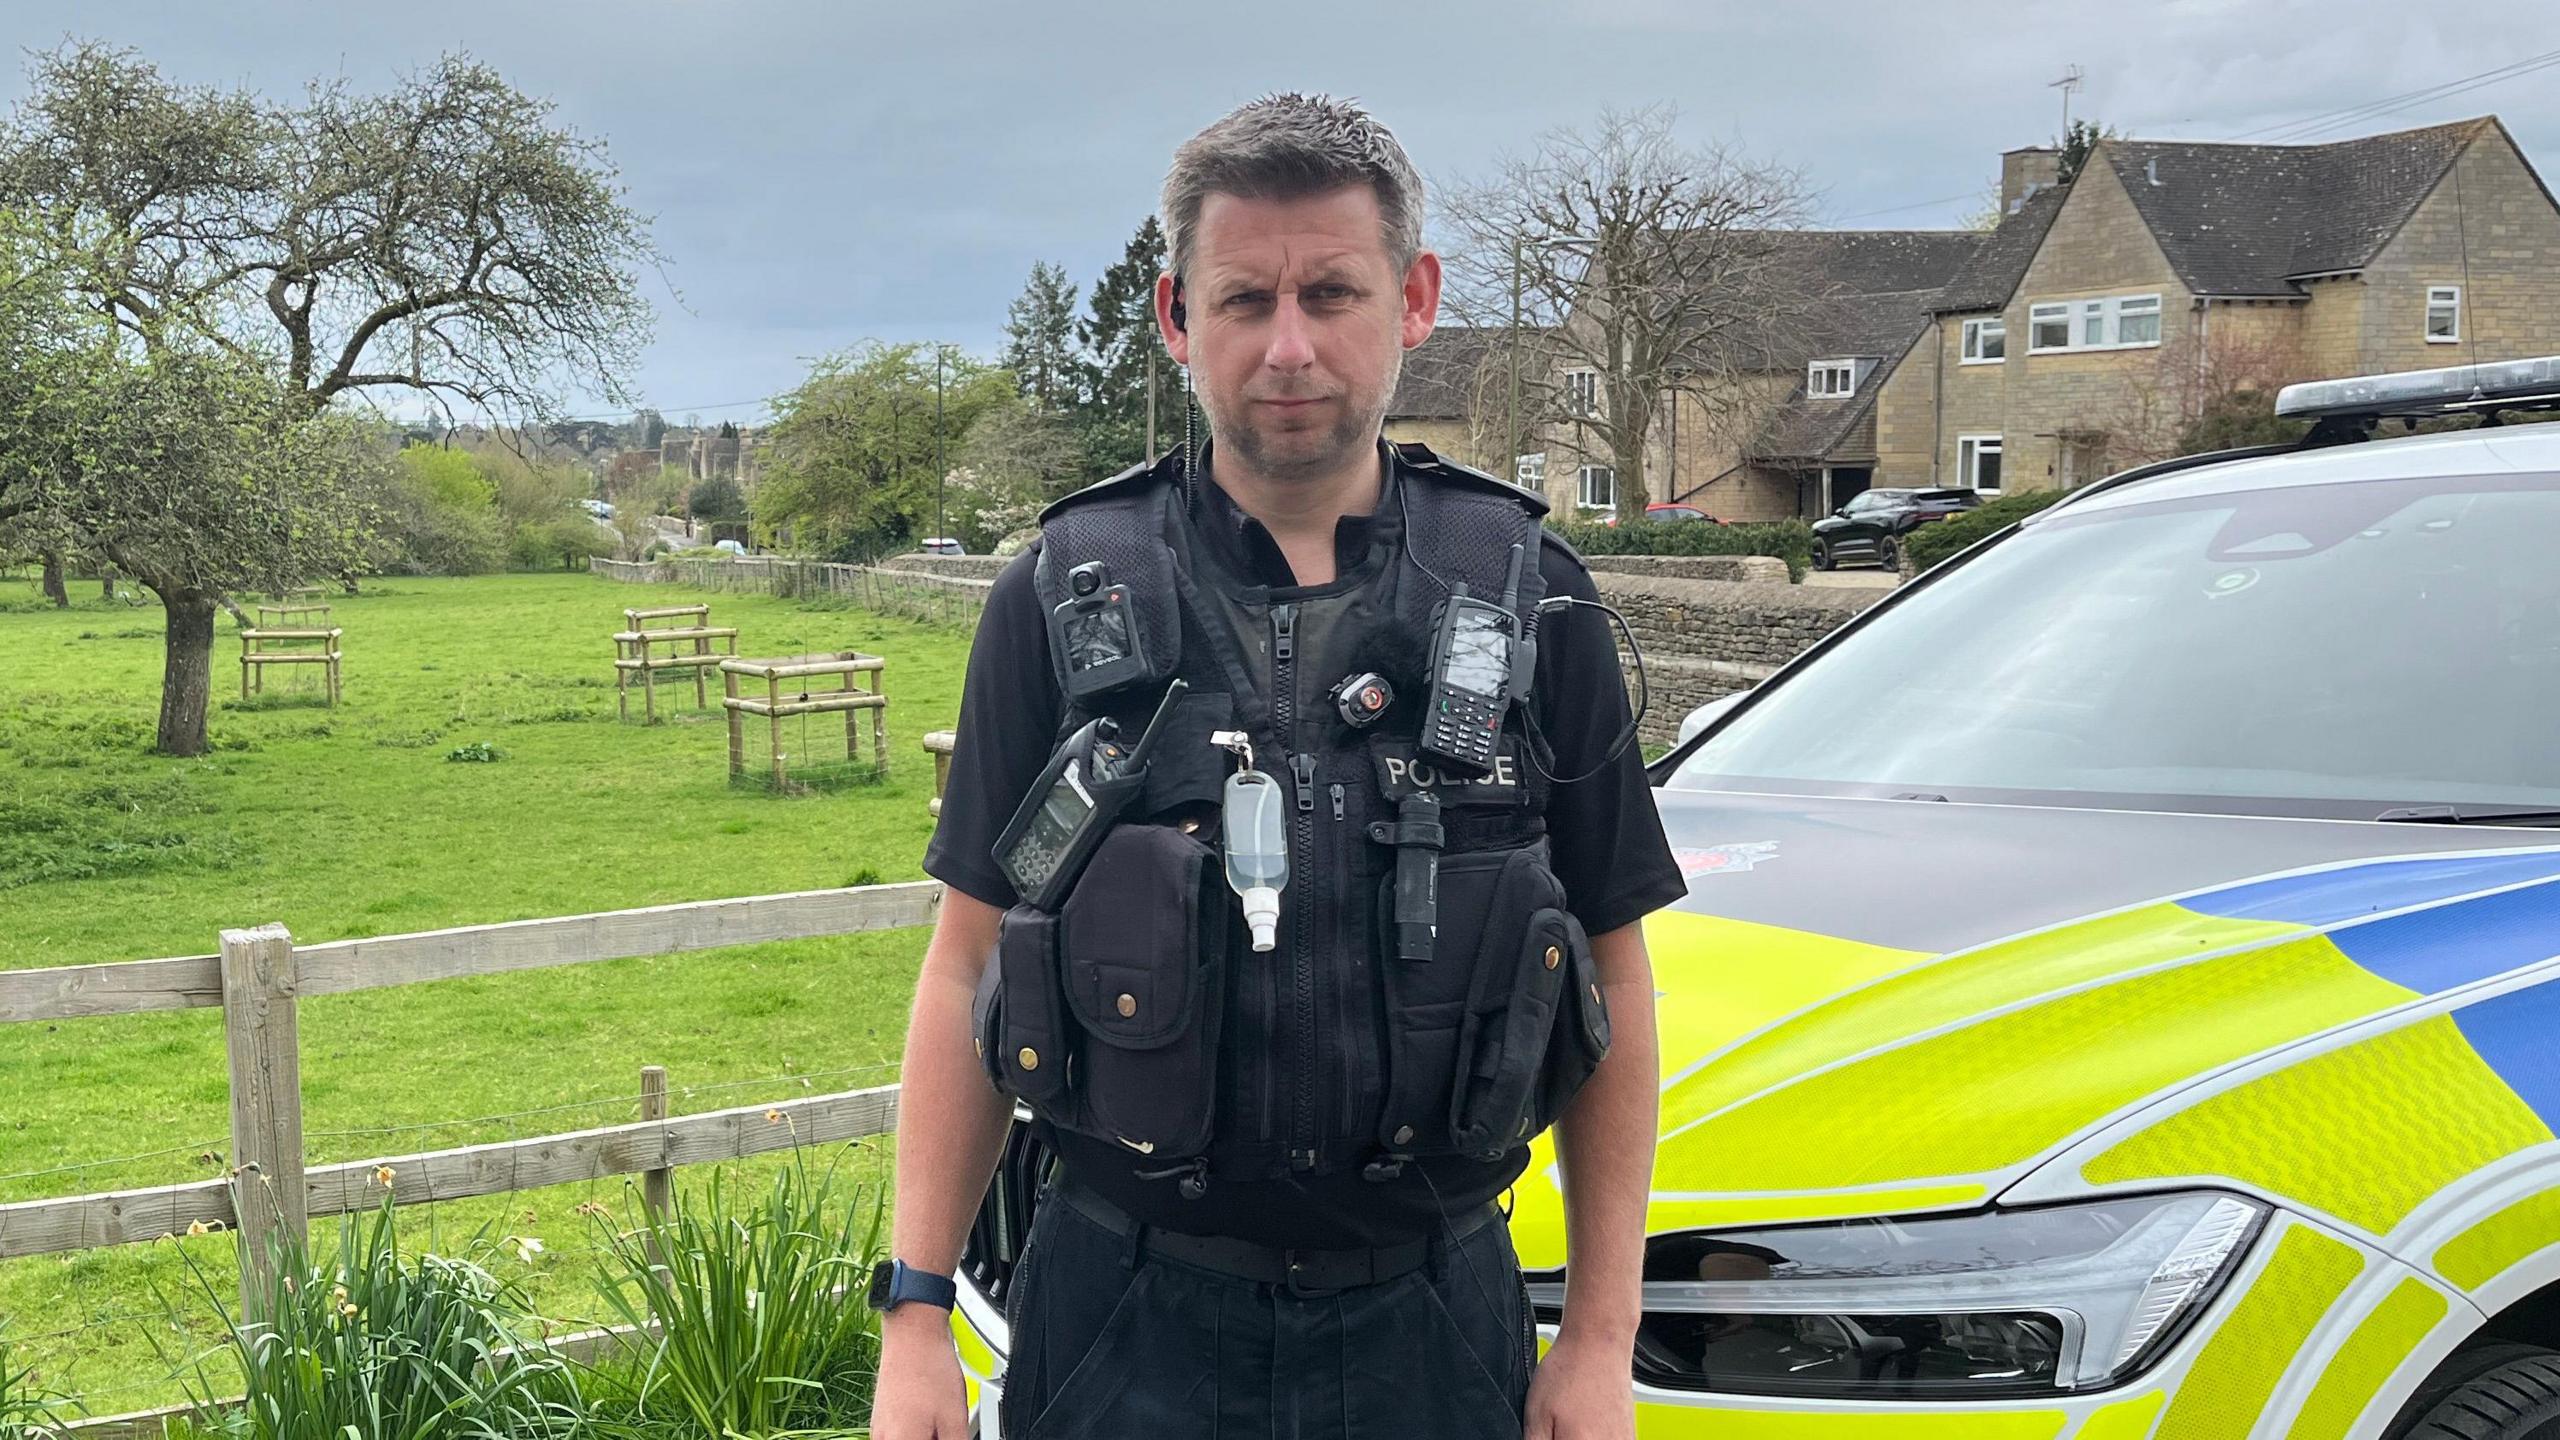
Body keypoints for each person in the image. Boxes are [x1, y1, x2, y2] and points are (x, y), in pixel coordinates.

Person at [871, 93, 1683, 1440]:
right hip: (1125, 1317)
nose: (1289, 346)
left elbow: (1614, 973)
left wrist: (1600, 1339)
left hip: (1435, 1320)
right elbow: (965, 963)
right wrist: (914, 1318)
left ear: (1414, 297)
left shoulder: (1530, 599)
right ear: (1177, 318)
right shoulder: (1061, 598)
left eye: (1332, 292)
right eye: (1244, 300)